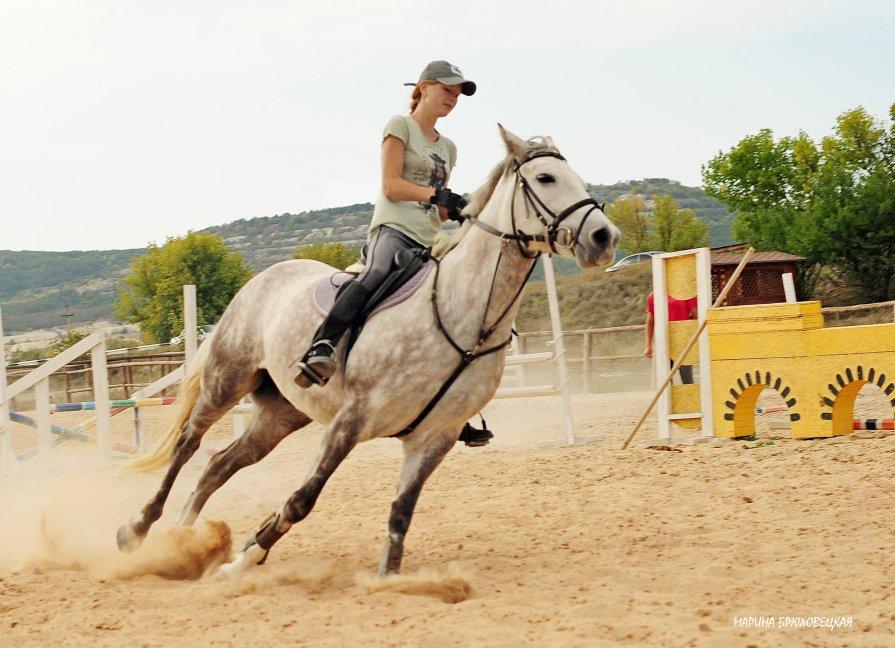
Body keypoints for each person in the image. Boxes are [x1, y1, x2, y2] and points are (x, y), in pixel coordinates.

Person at [294, 60, 475, 390]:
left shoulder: (449, 148)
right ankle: (322, 345)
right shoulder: (400, 126)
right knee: (375, 274)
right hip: (393, 230)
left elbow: (437, 207)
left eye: (458, 94)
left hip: (427, 240)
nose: (453, 98)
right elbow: (391, 185)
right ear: (423, 88)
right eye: (447, 90)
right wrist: (438, 195)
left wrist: (458, 208)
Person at [643, 291, 698, 383]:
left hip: (683, 344)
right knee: (665, 381)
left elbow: (696, 318)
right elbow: (650, 322)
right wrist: (648, 346)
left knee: (687, 381)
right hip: (664, 344)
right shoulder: (654, 296)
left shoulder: (686, 293)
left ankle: (690, 397)